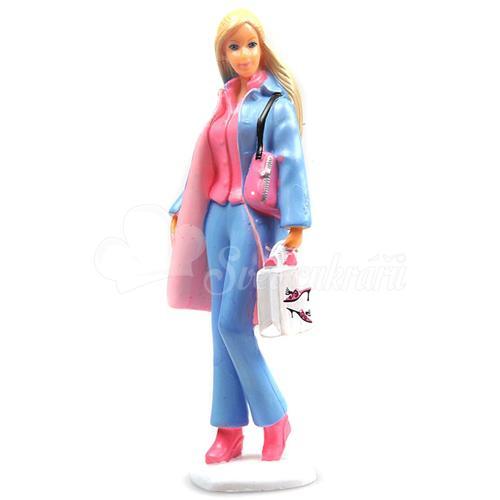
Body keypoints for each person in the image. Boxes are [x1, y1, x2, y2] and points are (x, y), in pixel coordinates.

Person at [167, 8, 311, 463]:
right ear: (223, 54)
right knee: (218, 326)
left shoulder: (274, 103)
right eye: (234, 46)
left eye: (250, 44)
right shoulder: (225, 100)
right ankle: (228, 429)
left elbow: (291, 162)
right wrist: (180, 206)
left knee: (233, 322)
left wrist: (295, 224)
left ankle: (274, 417)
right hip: (217, 217)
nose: (243, 54)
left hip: (253, 221)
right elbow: (204, 161)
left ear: (262, 47)